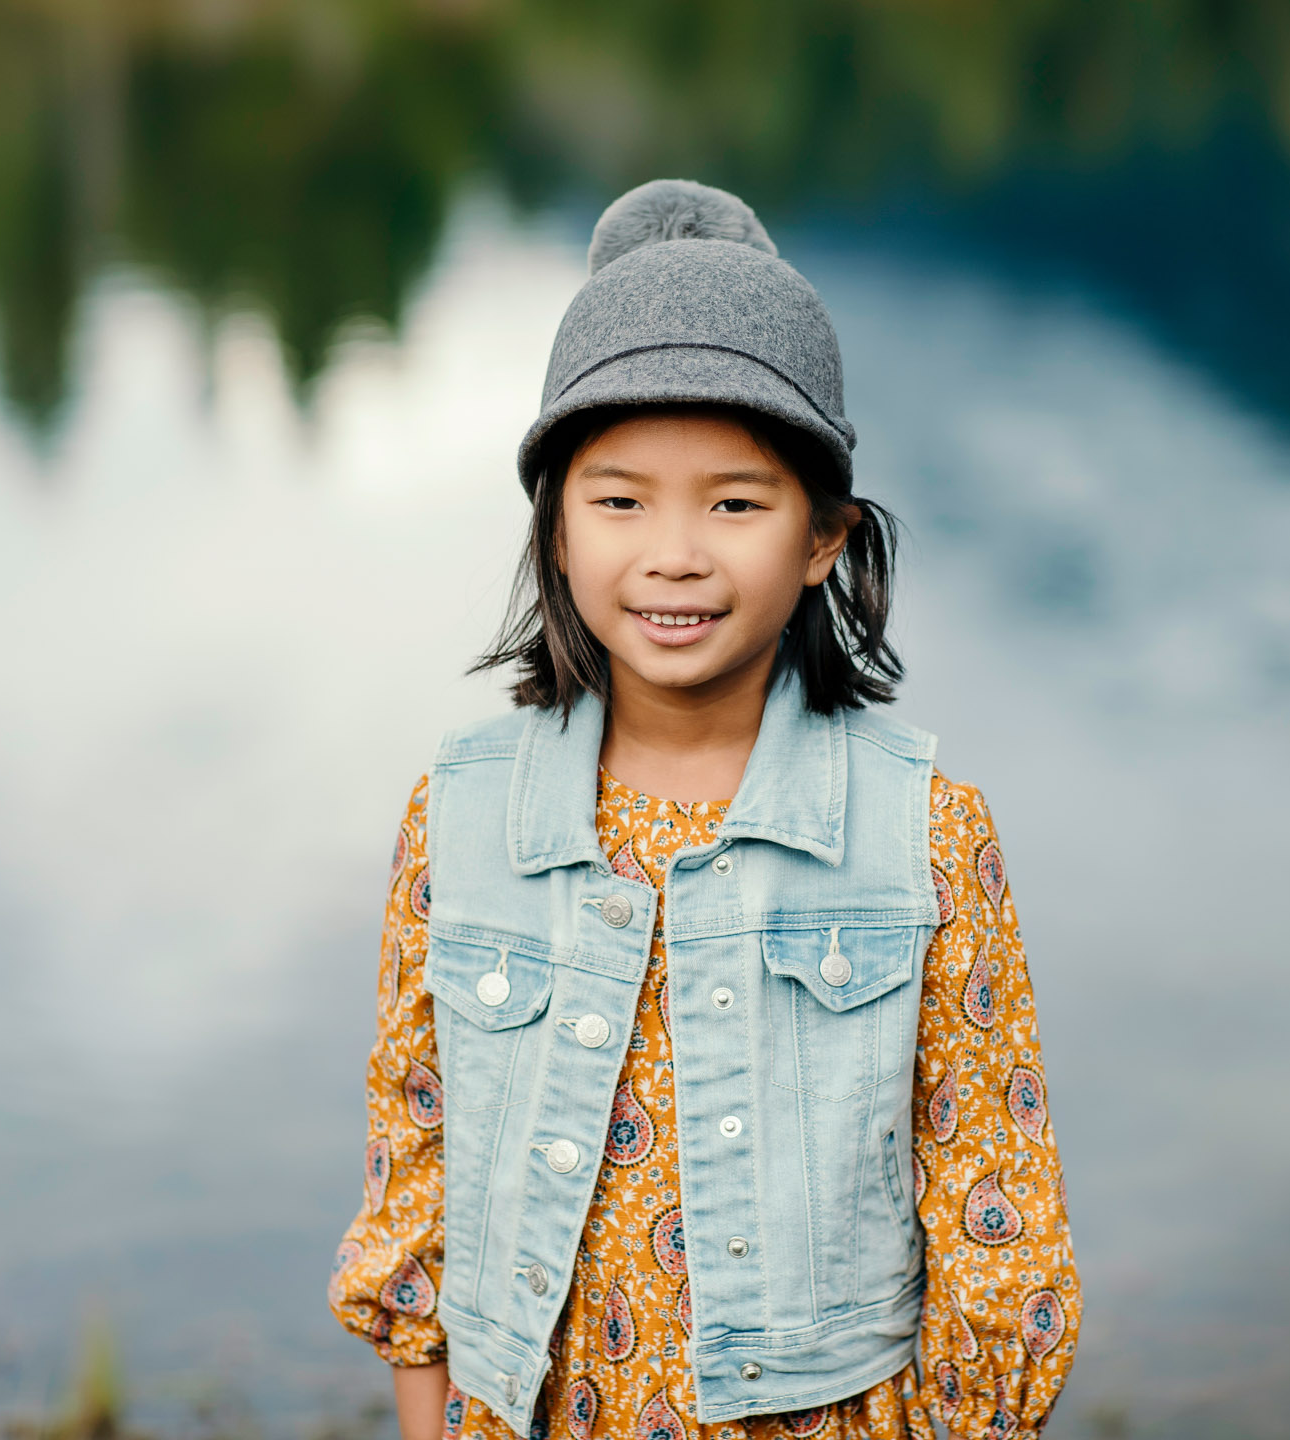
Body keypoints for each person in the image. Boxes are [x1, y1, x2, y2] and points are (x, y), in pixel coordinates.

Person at [331, 180, 1080, 1440]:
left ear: (826, 537)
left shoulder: (925, 836)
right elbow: (419, 1170)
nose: (675, 553)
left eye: (735, 503)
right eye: (620, 500)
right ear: (556, 529)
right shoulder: (458, 822)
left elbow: (994, 1210)